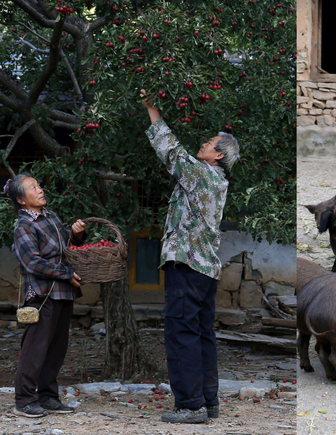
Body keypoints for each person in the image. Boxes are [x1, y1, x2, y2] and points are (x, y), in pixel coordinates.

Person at [140, 89, 240, 424]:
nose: (204, 144)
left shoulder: (201, 175)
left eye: (210, 143)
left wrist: (152, 110)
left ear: (218, 156)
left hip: (187, 265)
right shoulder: (216, 180)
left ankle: (190, 406)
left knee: (181, 334)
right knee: (201, 335)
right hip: (205, 270)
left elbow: (171, 152)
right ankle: (207, 402)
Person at [8, 174, 86, 418]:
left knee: (56, 348)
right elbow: (33, 263)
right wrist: (65, 273)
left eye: (39, 185)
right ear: (21, 200)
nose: (40, 190)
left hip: (63, 291)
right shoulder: (24, 226)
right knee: (36, 348)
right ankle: (24, 399)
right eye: (33, 188)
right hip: (42, 294)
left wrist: (76, 234)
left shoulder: (50, 217)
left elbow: (66, 246)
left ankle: (48, 396)